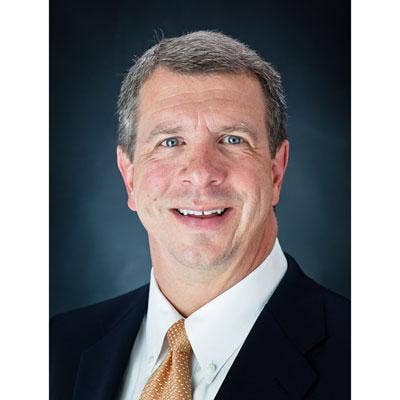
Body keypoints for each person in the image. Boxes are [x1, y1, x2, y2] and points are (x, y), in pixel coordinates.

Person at [50, 31, 350, 400]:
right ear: (130, 177)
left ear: (276, 171)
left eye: (233, 139)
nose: (201, 172)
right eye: (170, 142)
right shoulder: (55, 349)